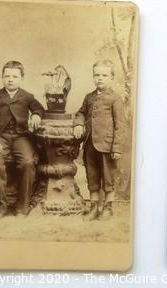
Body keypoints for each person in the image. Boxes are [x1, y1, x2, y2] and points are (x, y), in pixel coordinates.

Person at [0, 60, 44, 219]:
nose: (10, 79)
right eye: (6, 76)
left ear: (21, 78)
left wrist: (36, 115)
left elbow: (38, 108)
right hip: (0, 138)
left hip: (21, 138)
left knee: (28, 162)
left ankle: (22, 206)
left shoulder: (27, 96)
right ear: (2, 77)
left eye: (14, 76)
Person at [73, 60, 124, 221]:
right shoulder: (89, 97)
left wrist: (116, 147)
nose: (100, 78)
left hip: (107, 145)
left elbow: (120, 125)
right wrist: (79, 125)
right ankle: (94, 206)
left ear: (112, 77)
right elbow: (80, 113)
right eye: (97, 75)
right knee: (92, 175)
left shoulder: (115, 99)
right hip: (89, 144)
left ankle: (108, 207)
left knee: (108, 176)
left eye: (104, 75)